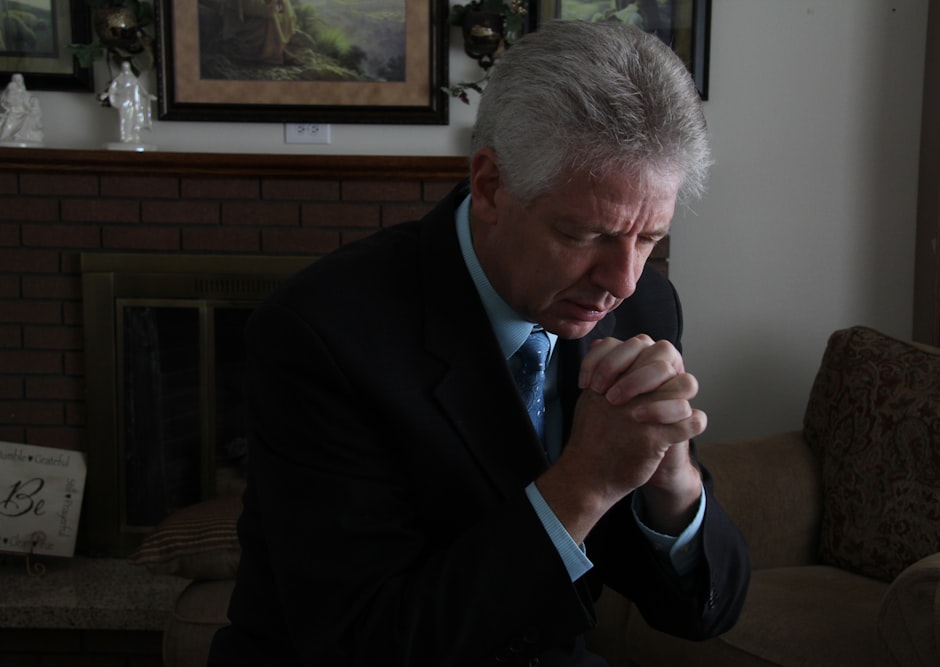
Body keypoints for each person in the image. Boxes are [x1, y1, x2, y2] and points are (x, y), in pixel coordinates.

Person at [208, 19, 750, 667]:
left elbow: (699, 614)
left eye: (648, 239)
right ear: (491, 185)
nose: (622, 281)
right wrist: (584, 482)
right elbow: (364, 643)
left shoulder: (647, 305)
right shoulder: (318, 333)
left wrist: (674, 481)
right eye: (585, 235)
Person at [101, 61, 156, 144]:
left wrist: (147, 95)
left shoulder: (133, 79)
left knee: (135, 118)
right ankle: (125, 136)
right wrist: (106, 94)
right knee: (124, 119)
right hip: (124, 102)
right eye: (124, 67)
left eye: (127, 67)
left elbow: (141, 89)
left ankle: (134, 135)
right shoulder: (119, 79)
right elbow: (112, 89)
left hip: (134, 102)